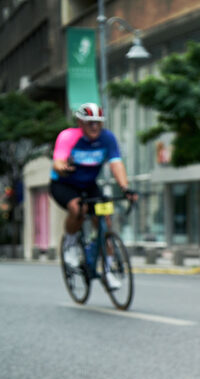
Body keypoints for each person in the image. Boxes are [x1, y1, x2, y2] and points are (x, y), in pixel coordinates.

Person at [51, 103, 138, 287]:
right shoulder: (68, 136)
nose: (95, 127)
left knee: (105, 222)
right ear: (80, 123)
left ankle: (108, 270)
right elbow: (58, 161)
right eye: (90, 123)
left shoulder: (107, 138)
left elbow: (116, 163)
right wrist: (64, 168)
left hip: (89, 185)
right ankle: (70, 243)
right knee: (78, 208)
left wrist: (125, 188)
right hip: (64, 183)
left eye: (98, 123)